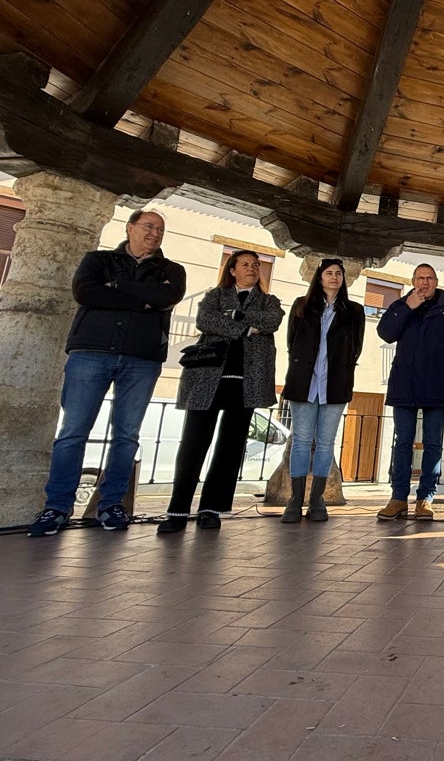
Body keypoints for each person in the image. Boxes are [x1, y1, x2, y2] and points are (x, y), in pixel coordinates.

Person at [28, 211, 186, 537]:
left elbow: (166, 296)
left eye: (160, 229)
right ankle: (56, 507)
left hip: (141, 359)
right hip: (91, 353)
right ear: (130, 228)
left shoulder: (171, 270)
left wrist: (117, 289)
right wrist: (143, 300)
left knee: (126, 436)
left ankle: (112, 504)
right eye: (148, 227)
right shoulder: (97, 260)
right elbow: (86, 293)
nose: (154, 233)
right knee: (73, 432)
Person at [156, 251, 283, 534]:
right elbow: (205, 321)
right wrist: (247, 327)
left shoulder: (269, 301)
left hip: (247, 382)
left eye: (256, 264)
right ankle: (177, 510)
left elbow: (271, 322)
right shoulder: (214, 296)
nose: (252, 268)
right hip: (207, 379)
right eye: (246, 264)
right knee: (193, 444)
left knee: (230, 447)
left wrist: (236, 317)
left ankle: (211, 509)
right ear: (233, 269)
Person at [376, 263, 444, 521]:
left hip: (436, 387)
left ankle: (425, 499)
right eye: (420, 278)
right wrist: (408, 308)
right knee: (403, 443)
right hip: (404, 385)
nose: (424, 283)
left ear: (436, 281)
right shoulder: (401, 306)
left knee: (433, 444)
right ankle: (398, 498)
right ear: (413, 281)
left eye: (429, 278)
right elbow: (386, 333)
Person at [279, 258, 366, 523]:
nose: (334, 277)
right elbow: (292, 342)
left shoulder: (354, 311)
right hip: (304, 382)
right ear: (319, 277)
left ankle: (317, 500)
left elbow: (357, 347)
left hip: (335, 383)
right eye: (329, 273)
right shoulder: (302, 306)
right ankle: (295, 500)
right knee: (302, 441)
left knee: (327, 443)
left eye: (339, 273)